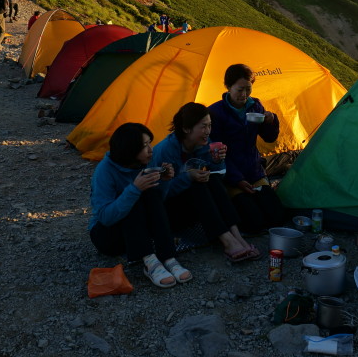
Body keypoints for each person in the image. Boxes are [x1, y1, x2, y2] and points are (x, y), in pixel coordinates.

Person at [152, 102, 260, 262]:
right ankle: (227, 241)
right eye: (203, 126)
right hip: (168, 212)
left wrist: (217, 161)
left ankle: (236, 236)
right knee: (197, 185)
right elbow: (160, 194)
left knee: (212, 180)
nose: (208, 131)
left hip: (194, 206)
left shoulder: (205, 144)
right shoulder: (166, 151)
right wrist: (188, 177)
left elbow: (219, 177)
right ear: (186, 128)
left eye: (209, 125)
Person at [89, 123, 192, 289]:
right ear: (130, 149)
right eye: (145, 146)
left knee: (150, 193)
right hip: (108, 236)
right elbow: (105, 217)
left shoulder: (145, 163)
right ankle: (150, 263)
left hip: (138, 230)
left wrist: (165, 181)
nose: (151, 150)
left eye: (150, 143)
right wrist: (134, 189)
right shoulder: (104, 171)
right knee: (134, 195)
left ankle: (168, 257)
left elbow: (157, 203)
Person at [208, 63, 285, 234]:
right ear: (228, 87)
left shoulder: (255, 106)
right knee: (254, 223)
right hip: (230, 174)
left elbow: (269, 137)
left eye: (248, 89)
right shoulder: (216, 113)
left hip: (254, 171)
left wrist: (271, 120)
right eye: (240, 89)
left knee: (277, 217)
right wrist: (237, 179)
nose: (244, 95)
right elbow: (217, 154)